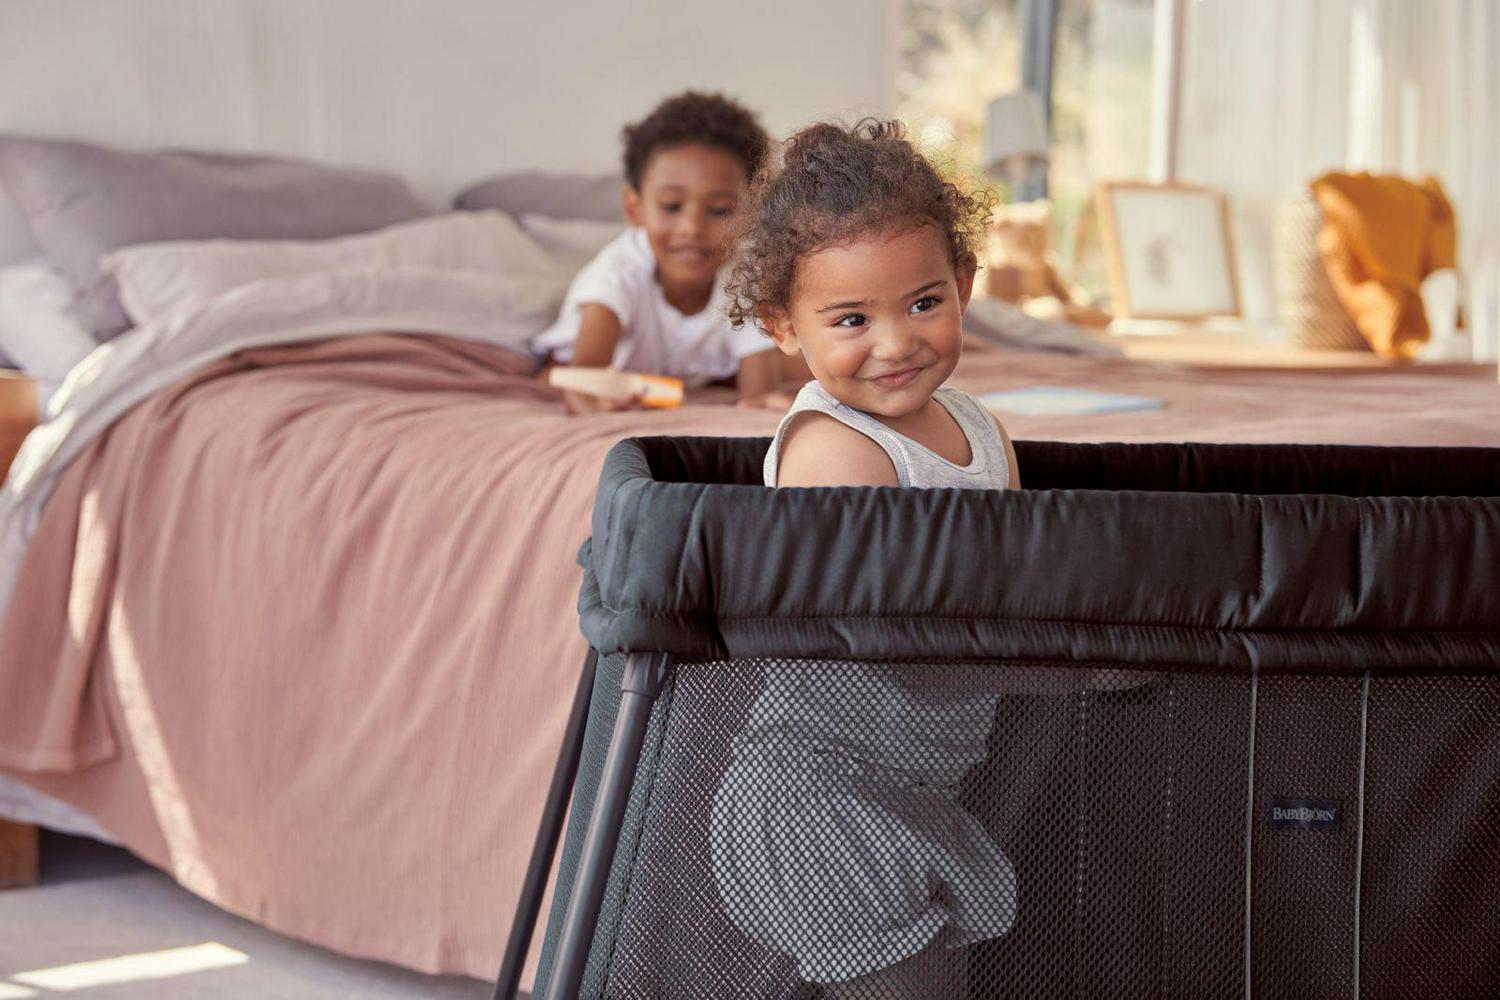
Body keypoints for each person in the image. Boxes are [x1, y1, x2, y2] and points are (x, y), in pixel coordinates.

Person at [710, 119, 1020, 998]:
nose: (896, 342)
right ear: (782, 325)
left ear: (964, 285)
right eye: (852, 319)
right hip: (818, 796)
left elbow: (1025, 576)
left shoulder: (980, 428)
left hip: (917, 785)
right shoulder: (836, 450)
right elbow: (880, 639)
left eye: (924, 303)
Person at [532, 91, 789, 413]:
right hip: (588, 363)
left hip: (683, 370)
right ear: (634, 208)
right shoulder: (615, 276)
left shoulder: (746, 278)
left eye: (720, 210)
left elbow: (759, 394)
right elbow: (582, 384)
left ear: (750, 214)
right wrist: (595, 404)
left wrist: (765, 401)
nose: (691, 228)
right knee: (555, 378)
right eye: (671, 206)